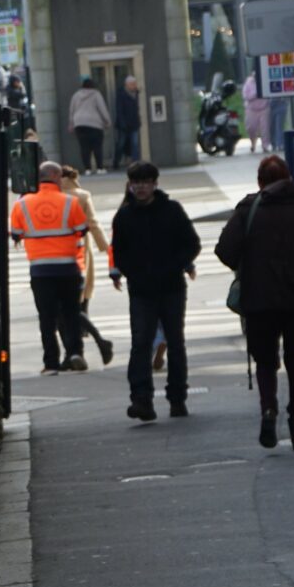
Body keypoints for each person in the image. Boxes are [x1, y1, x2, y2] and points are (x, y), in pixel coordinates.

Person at [217, 154, 294, 449]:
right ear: (289, 178)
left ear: (259, 182)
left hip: (259, 301)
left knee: (265, 361)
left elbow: (225, 250)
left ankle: (268, 409)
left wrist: (248, 263)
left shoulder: (248, 211)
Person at [109, 162, 200, 421]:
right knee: (141, 342)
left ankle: (177, 397)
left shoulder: (171, 210)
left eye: (145, 182)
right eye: (136, 183)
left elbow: (192, 243)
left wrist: (175, 266)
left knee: (175, 342)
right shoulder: (124, 216)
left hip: (171, 287)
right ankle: (141, 399)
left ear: (154, 184)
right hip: (141, 290)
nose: (140, 187)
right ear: (130, 185)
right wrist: (132, 273)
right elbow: (119, 251)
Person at [11, 160, 92, 375]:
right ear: (56, 177)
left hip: (40, 270)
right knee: (71, 313)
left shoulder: (22, 204)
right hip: (68, 268)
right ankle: (75, 353)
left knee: (46, 317)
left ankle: (51, 362)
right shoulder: (70, 202)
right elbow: (82, 229)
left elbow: (16, 233)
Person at [60, 166, 116, 365]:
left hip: (54, 254)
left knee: (64, 309)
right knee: (76, 302)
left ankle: (74, 353)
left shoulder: (53, 196)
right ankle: (80, 348)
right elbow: (93, 224)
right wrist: (107, 249)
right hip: (80, 251)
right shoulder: (82, 196)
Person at [67, 77, 111, 175]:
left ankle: (88, 169)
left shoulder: (76, 95)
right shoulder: (96, 94)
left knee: (84, 147)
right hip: (95, 124)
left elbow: (72, 110)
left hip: (79, 124)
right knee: (97, 147)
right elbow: (102, 108)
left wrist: (71, 123)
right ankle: (99, 168)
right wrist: (107, 121)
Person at [113, 76, 143, 171]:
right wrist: (122, 123)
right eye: (132, 84)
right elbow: (119, 110)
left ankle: (136, 163)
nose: (134, 86)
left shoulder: (136, 94)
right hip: (124, 124)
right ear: (127, 85)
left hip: (134, 123)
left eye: (135, 84)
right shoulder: (121, 94)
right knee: (121, 143)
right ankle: (116, 162)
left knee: (135, 144)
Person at [243, 72, 271, 154]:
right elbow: (246, 96)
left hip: (264, 108)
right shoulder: (248, 83)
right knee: (251, 127)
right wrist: (255, 94)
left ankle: (265, 145)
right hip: (251, 109)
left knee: (264, 128)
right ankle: (253, 142)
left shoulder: (265, 81)